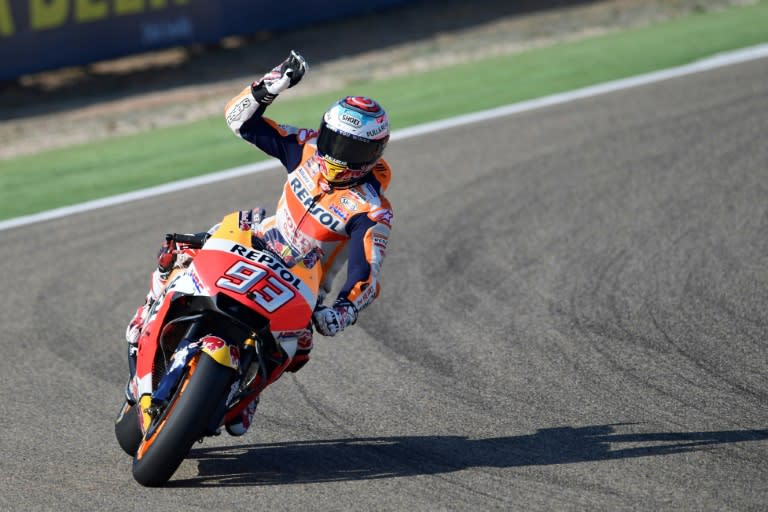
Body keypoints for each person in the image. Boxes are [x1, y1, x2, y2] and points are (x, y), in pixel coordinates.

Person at [124, 50, 393, 436]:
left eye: (352, 149)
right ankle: (151, 309)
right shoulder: (306, 148)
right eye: (333, 139)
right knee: (180, 253)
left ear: (374, 154)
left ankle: (246, 392)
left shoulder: (372, 209)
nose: (336, 154)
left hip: (304, 279)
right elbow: (239, 119)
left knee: (298, 349)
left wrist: (344, 310)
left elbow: (367, 272)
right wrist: (275, 81)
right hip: (259, 240)